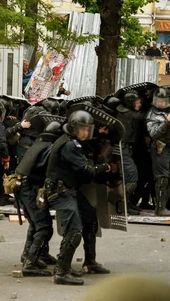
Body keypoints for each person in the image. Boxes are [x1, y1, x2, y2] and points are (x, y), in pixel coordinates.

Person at [45, 111, 115, 285]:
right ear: (74, 127)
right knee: (74, 230)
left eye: (88, 130)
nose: (85, 133)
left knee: (90, 219)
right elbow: (87, 170)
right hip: (60, 192)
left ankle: (90, 262)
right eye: (82, 129)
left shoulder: (73, 141)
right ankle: (61, 271)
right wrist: (104, 167)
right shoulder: (69, 145)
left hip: (70, 190)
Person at [15, 121, 63, 277]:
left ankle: (30, 254)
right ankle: (31, 262)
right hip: (30, 188)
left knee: (36, 224)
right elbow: (49, 172)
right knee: (43, 226)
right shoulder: (49, 149)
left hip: (22, 186)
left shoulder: (39, 144)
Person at [146, 88, 170, 216]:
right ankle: (160, 208)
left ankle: (162, 203)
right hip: (161, 148)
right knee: (162, 178)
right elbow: (153, 134)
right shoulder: (152, 114)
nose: (160, 103)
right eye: (158, 101)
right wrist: (167, 122)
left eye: (163, 101)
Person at [116, 91, 147, 215]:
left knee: (129, 177)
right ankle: (122, 205)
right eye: (137, 102)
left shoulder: (127, 112)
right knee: (132, 176)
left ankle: (127, 204)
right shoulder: (126, 113)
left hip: (126, 148)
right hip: (122, 149)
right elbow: (141, 116)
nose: (139, 105)